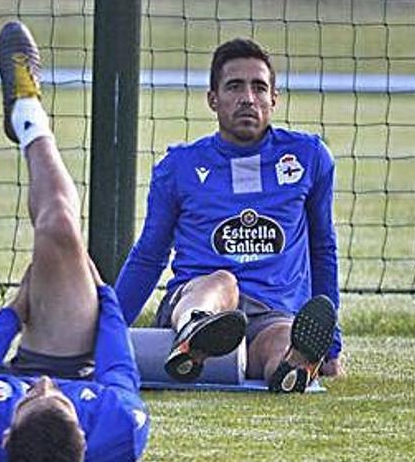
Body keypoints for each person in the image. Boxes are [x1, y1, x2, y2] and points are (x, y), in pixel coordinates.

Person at [0, 21, 149, 462]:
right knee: (58, 225)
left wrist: (14, 313)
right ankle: (28, 114)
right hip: (68, 360)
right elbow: (116, 368)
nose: (43, 387)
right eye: (60, 401)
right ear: (83, 437)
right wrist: (104, 295)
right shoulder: (118, 428)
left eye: (33, 397)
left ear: (5, 437)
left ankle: (29, 114)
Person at [114, 37, 343, 393]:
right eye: (235, 87)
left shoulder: (309, 157)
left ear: (274, 99)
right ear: (213, 99)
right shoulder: (179, 167)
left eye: (259, 87)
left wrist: (331, 346)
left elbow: (322, 248)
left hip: (272, 313)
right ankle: (195, 334)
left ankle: (290, 368)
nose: (248, 98)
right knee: (222, 282)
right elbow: (148, 257)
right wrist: (108, 332)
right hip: (199, 297)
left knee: (283, 337)